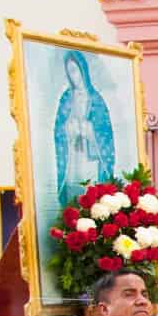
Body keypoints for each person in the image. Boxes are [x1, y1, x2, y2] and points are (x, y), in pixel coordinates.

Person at [54, 53, 115, 209]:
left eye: (75, 70)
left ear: (83, 70)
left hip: (91, 157)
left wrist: (91, 130)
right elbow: (58, 128)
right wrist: (68, 129)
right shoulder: (66, 97)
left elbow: (105, 132)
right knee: (74, 193)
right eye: (69, 72)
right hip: (73, 156)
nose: (73, 76)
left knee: (91, 191)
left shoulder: (96, 99)